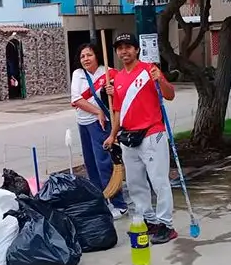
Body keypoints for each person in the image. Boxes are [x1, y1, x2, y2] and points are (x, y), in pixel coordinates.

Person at [104, 33, 178, 244]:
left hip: (152, 134)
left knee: (159, 181)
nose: (124, 51)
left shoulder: (149, 70)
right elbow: (118, 111)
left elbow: (170, 94)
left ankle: (166, 225)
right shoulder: (117, 78)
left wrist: (159, 81)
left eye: (128, 47)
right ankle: (149, 220)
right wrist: (112, 135)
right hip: (128, 137)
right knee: (135, 183)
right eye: (120, 48)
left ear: (136, 49)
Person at [69, 43, 128, 218]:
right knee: (91, 164)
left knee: (104, 163)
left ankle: (119, 203)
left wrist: (112, 91)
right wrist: (97, 111)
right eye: (82, 56)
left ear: (97, 56)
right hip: (84, 123)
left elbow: (120, 96)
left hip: (101, 125)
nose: (86, 59)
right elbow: (76, 99)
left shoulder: (109, 72)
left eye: (89, 55)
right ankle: (100, 201)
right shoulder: (78, 74)